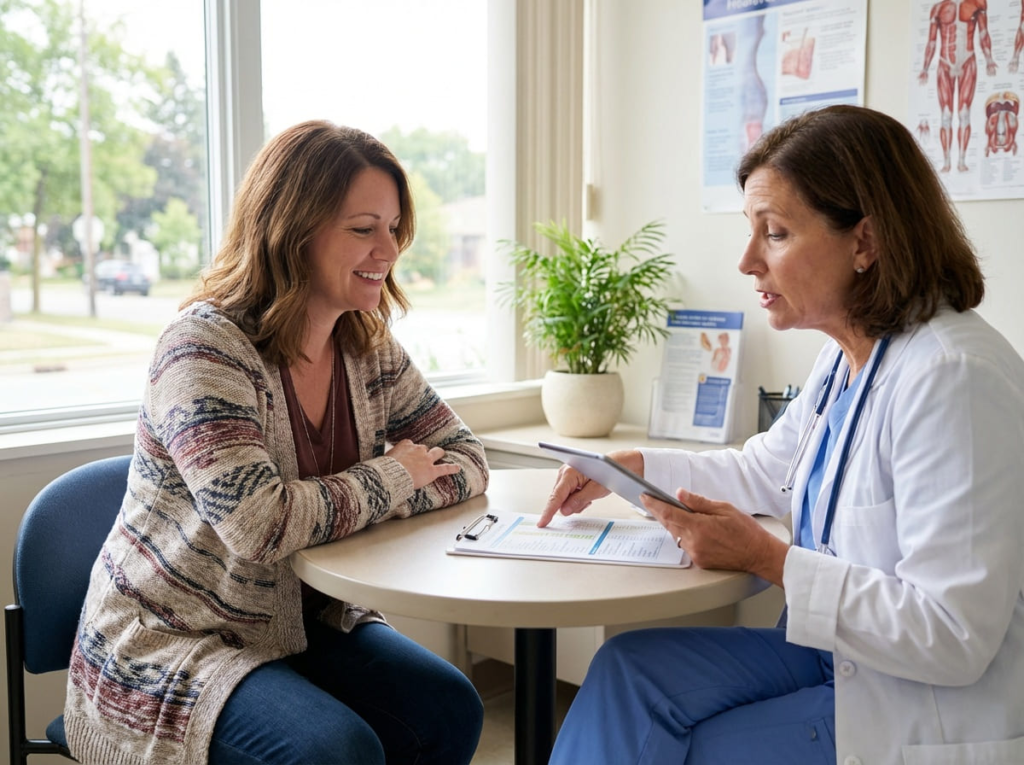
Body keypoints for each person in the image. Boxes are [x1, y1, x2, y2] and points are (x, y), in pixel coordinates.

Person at [540, 105, 1024, 764]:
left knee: (689, 747)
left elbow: (952, 633)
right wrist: (629, 466)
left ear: (865, 242)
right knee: (629, 671)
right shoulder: (848, 355)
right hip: (836, 659)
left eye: (775, 232)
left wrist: (770, 560)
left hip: (917, 702)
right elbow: (763, 471)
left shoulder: (952, 378)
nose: (746, 261)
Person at [63, 121, 490, 765]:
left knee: (450, 709)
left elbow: (468, 458)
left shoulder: (367, 346)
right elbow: (260, 524)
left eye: (394, 227)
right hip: (175, 638)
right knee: (336, 750)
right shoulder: (203, 349)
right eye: (363, 228)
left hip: (302, 622)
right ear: (293, 231)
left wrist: (391, 492)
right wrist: (397, 476)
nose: (389, 249)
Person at [918, 0, 998, 172]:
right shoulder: (938, 8)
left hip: (967, 61)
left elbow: (983, 33)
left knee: (964, 113)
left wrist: (989, 59)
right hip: (945, 64)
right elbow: (931, 42)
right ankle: (947, 161)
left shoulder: (977, 4)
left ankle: (961, 160)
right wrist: (925, 67)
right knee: (946, 114)